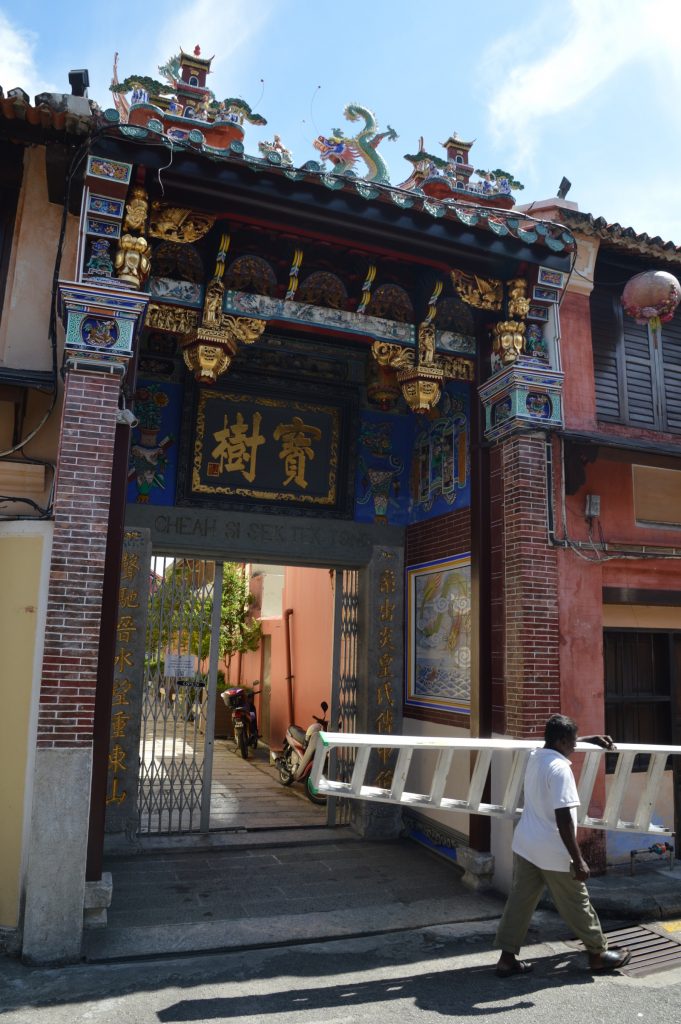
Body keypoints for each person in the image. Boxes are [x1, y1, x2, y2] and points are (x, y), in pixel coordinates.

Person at [494, 714, 631, 977]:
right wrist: (578, 859)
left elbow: (556, 744)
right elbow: (564, 817)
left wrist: (587, 739)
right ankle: (598, 954)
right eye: (571, 741)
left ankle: (507, 958)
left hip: (526, 844)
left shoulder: (536, 756)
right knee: (577, 902)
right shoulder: (561, 770)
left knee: (519, 903)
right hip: (553, 850)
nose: (575, 746)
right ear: (560, 741)